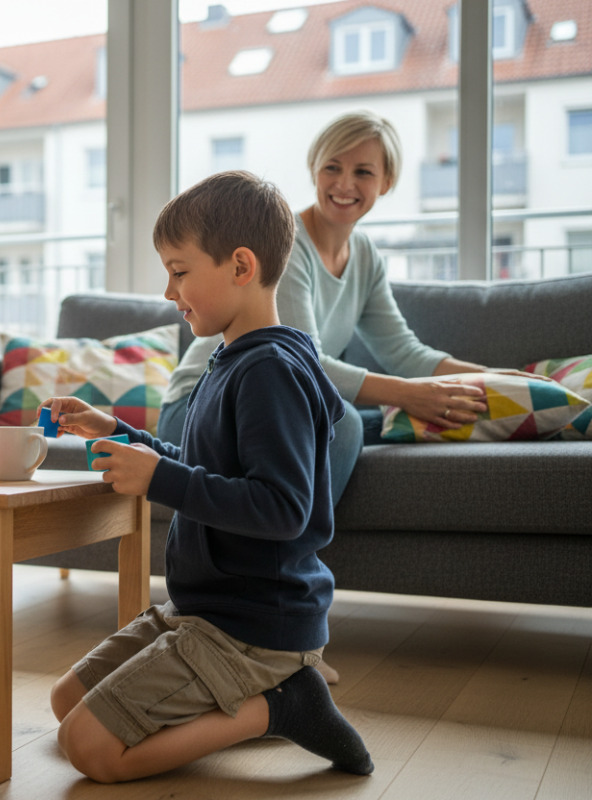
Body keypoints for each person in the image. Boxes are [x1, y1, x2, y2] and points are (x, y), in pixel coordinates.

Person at [42, 171, 373, 784]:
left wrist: (160, 479)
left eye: (179, 270)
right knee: (67, 703)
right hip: (203, 609)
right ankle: (237, 702)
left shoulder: (269, 372)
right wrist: (116, 433)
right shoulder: (231, 358)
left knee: (90, 750)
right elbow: (203, 467)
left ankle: (280, 706)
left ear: (241, 266)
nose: (168, 291)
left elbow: (282, 508)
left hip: (252, 627)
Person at [160, 110, 514, 508]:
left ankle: (290, 543)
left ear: (386, 182)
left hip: (271, 403)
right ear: (314, 169)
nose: (345, 184)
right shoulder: (284, 245)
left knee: (415, 420)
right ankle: (291, 554)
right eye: (333, 167)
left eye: (363, 172)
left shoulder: (365, 257)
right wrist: (410, 394)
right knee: (343, 424)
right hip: (200, 404)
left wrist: (499, 380)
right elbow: (306, 365)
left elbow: (403, 352)